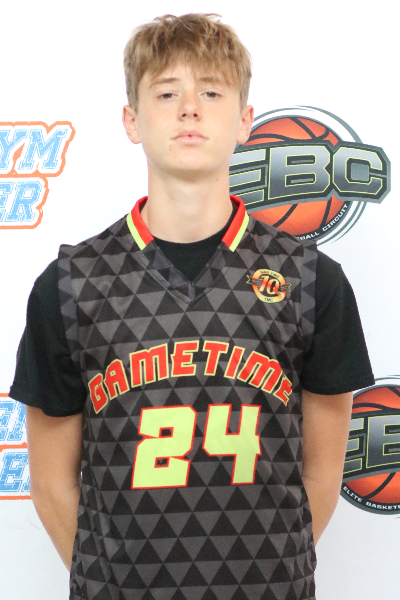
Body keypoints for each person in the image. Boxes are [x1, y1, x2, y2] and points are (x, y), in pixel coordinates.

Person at [10, 13, 374, 600]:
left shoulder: (311, 280)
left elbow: (323, 474)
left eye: (211, 92)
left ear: (245, 120)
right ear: (132, 120)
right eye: (165, 93)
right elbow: (52, 486)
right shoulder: (71, 284)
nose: (189, 110)